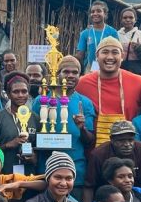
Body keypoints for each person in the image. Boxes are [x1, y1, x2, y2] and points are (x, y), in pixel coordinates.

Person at [32, 55, 97, 193]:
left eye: (75, 72)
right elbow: (33, 131)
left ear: (80, 75)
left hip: (74, 170)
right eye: (66, 71)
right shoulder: (41, 100)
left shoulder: (85, 103)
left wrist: (82, 128)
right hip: (46, 169)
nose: (71, 76)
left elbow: (89, 140)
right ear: (58, 74)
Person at [75, 36, 141, 146]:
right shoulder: (82, 83)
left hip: (128, 149)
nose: (109, 57)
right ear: (97, 56)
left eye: (115, 52)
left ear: (122, 56)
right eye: (105, 52)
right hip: (93, 150)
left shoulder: (139, 82)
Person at [84, 120, 141, 202]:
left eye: (130, 140)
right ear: (112, 140)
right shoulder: (98, 154)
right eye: (121, 140)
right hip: (105, 200)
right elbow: (89, 187)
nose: (127, 144)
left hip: (133, 198)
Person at [0, 72, 39, 175]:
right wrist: (8, 145)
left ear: (28, 93)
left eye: (24, 91)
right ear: (8, 94)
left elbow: (39, 149)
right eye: (16, 92)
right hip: (4, 175)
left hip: (29, 176)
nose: (20, 95)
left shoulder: (35, 118)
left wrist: (34, 158)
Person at [76, 0, 120, 73]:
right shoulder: (85, 33)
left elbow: (117, 52)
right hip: (89, 69)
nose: (95, 14)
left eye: (99, 11)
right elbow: (80, 54)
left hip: (108, 67)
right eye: (92, 12)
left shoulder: (112, 32)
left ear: (105, 14)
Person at [117, 7, 141, 76]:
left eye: (131, 17)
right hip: (118, 69)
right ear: (121, 20)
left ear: (135, 20)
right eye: (125, 18)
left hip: (136, 70)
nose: (128, 20)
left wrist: (139, 49)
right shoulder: (116, 34)